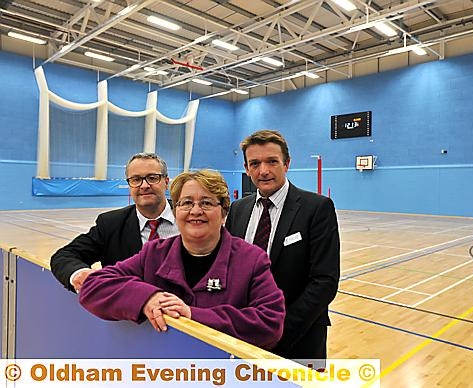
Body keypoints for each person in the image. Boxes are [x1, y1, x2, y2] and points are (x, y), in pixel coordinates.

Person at [79, 169, 285, 349]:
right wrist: (148, 298)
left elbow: (270, 323)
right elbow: (94, 286)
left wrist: (192, 315)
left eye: (206, 202)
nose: (196, 211)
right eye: (186, 203)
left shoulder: (251, 260)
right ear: (176, 212)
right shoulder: (154, 253)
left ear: (223, 213)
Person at [225, 129, 340, 364]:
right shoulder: (238, 209)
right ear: (246, 168)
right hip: (243, 335)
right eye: (255, 163)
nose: (263, 170)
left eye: (272, 161)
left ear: (286, 164)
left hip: (298, 338)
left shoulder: (317, 208)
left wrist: (278, 332)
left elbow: (324, 281)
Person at [50, 152, 179, 293]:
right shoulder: (111, 224)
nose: (144, 185)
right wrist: (81, 274)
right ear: (129, 185)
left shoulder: (191, 217)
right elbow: (64, 256)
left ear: (166, 183)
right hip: (129, 311)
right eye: (136, 179)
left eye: (152, 178)